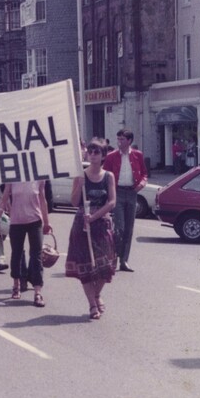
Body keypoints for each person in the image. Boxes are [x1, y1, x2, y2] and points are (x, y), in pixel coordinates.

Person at [65, 138, 118, 320]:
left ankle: (97, 294)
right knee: (85, 267)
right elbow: (73, 202)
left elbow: (112, 202)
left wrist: (95, 216)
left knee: (106, 265)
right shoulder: (80, 175)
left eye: (97, 152)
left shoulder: (108, 176)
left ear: (103, 156)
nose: (93, 154)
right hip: (82, 225)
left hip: (101, 223)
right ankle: (92, 304)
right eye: (90, 151)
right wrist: (79, 185)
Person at [0, 180, 51, 307]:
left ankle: (37, 292)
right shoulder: (13, 178)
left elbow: (43, 200)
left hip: (35, 221)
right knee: (17, 254)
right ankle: (16, 284)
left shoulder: (39, 178)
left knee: (36, 256)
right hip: (16, 222)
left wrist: (46, 222)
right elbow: (3, 200)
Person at [102, 128, 147, 273]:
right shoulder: (111, 156)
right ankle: (113, 258)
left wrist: (141, 183)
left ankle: (124, 261)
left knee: (129, 228)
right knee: (119, 228)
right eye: (118, 139)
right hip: (118, 192)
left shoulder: (138, 155)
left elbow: (144, 173)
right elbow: (105, 174)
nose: (119, 142)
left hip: (132, 192)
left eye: (122, 139)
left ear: (129, 141)